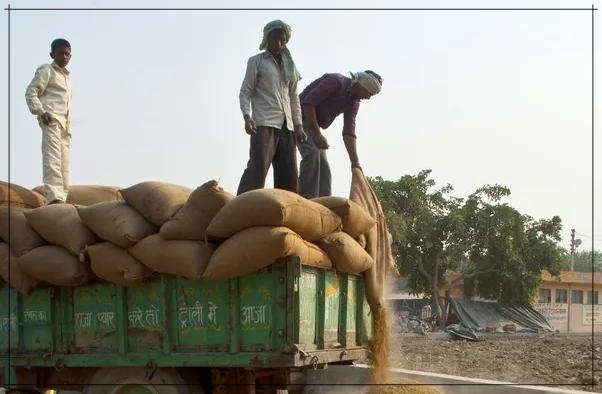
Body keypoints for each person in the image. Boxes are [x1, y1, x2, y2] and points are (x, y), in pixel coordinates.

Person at [237, 20, 307, 196]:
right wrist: (247, 116)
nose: (279, 43)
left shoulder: (290, 67)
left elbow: (294, 97)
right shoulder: (257, 62)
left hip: (287, 126)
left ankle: (287, 215)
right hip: (264, 123)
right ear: (267, 39)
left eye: (282, 40)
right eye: (275, 39)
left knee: (289, 176)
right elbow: (245, 92)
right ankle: (242, 207)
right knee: (257, 169)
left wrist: (298, 126)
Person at [297, 71, 383, 199]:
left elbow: (349, 132)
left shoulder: (353, 102)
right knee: (312, 154)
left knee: (324, 165)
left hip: (312, 125)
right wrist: (317, 134)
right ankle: (306, 199)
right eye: (369, 93)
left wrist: (355, 163)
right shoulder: (336, 82)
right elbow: (308, 103)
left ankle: (324, 201)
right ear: (363, 86)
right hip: (297, 118)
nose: (368, 98)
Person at [25, 38, 73, 205]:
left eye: (68, 54)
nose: (65, 56)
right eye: (61, 53)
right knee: (52, 160)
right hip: (51, 120)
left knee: (64, 164)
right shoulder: (47, 70)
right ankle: (53, 198)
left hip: (65, 126)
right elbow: (31, 92)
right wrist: (41, 111)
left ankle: (62, 198)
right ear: (52, 54)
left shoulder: (67, 78)